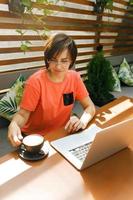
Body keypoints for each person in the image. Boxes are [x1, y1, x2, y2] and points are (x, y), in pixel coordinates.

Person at [8, 33, 96, 147]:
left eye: (64, 61)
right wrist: (14, 124)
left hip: (62, 133)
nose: (58, 66)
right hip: (35, 138)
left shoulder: (74, 78)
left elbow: (90, 107)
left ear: (72, 61)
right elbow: (23, 115)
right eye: (53, 60)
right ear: (47, 59)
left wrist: (82, 121)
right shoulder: (35, 82)